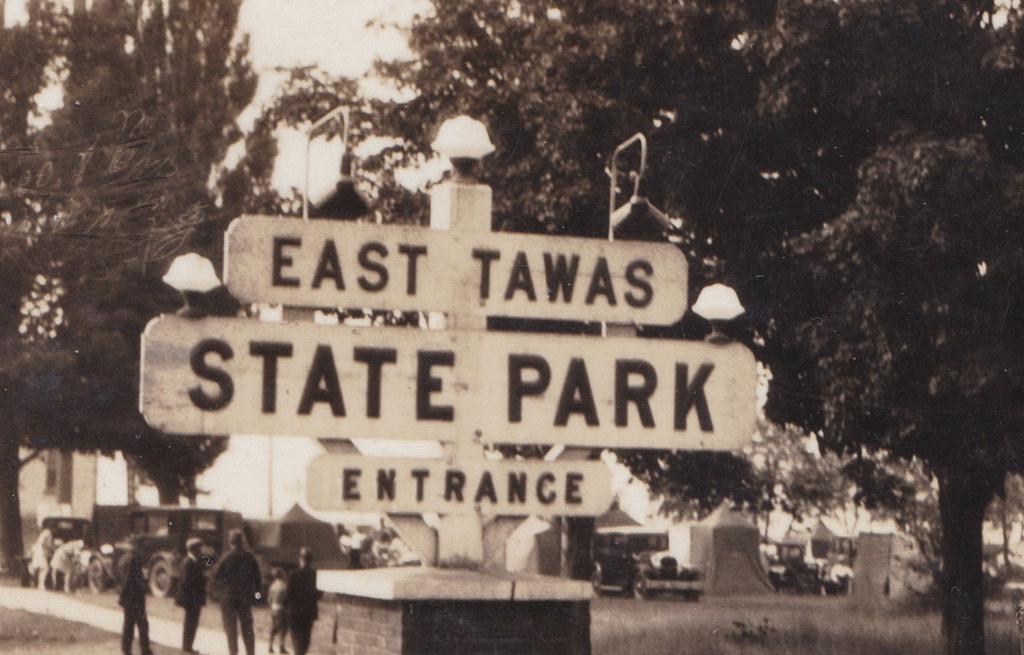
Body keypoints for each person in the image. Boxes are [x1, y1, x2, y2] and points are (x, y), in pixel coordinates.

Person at [212, 529, 261, 655]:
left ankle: (233, 652)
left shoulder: (226, 557)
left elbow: (216, 577)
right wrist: (257, 596)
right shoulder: (250, 557)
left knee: (230, 627)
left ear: (230, 542)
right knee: (247, 627)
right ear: (242, 541)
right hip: (245, 597)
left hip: (228, 598)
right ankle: (251, 652)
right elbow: (257, 580)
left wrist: (218, 593)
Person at [119, 537, 153, 655]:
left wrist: (122, 594)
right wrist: (143, 586)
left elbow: (121, 578)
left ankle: (126, 649)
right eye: (143, 546)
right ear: (137, 546)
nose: (144, 549)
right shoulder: (134, 559)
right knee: (142, 625)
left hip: (128, 597)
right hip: (135, 597)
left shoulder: (124, 558)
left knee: (129, 625)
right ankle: (145, 650)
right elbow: (131, 579)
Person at [287, 548, 321, 655]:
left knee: (296, 638)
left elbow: (288, 594)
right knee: (305, 639)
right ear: (311, 561)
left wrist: (286, 606)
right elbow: (319, 594)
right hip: (308, 612)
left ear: (300, 559)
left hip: (295, 612)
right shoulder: (315, 575)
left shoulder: (293, 574)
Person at [176, 537, 207, 654]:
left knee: (192, 623)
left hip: (194, 599)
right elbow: (186, 582)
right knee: (190, 623)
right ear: (193, 549)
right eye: (199, 549)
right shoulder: (188, 563)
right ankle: (187, 646)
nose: (201, 551)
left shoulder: (194, 561)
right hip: (191, 599)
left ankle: (188, 645)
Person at [267, 567, 289, 654]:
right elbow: (287, 599)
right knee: (283, 628)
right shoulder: (285, 586)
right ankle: (281, 646)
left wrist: (257, 598)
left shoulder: (272, 586)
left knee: (273, 627)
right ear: (282, 575)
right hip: (282, 609)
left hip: (273, 608)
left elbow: (269, 600)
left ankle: (270, 646)